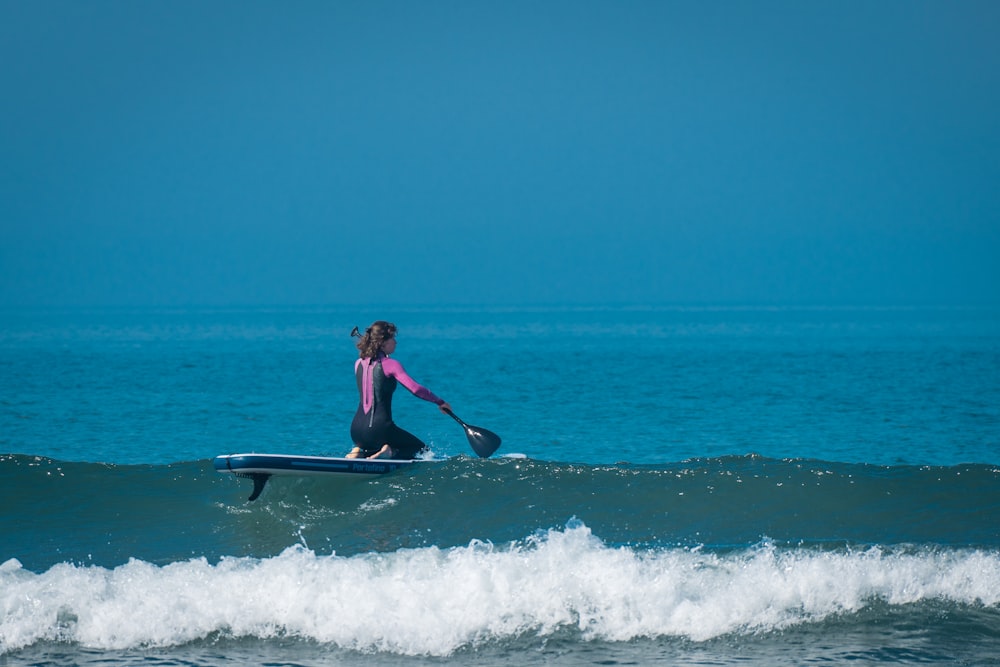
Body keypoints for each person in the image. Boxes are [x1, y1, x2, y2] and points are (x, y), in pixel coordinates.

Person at [346, 321, 451, 459]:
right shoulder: (391, 364)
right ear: (383, 343)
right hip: (380, 429)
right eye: (392, 339)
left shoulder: (358, 363)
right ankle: (389, 452)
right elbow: (415, 389)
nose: (395, 342)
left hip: (356, 432)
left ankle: (359, 451)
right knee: (422, 451)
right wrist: (440, 402)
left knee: (376, 442)